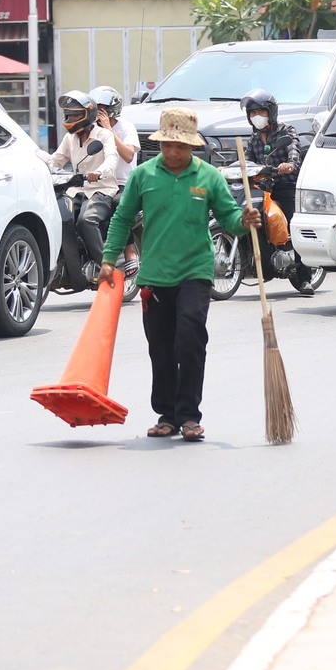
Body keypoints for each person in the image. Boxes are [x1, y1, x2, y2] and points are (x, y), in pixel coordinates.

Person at [101, 106, 246, 442]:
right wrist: (110, 258)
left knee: (191, 339)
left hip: (195, 272)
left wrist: (245, 221)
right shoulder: (144, 176)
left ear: (192, 146)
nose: (173, 152)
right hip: (154, 276)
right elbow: (122, 219)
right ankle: (167, 415)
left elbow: (229, 218)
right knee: (161, 346)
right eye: (167, 145)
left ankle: (190, 416)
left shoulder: (209, 177)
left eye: (180, 146)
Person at [50, 89, 136, 262]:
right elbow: (55, 160)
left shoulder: (112, 132)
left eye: (102, 108)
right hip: (79, 188)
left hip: (112, 184)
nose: (99, 112)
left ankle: (118, 257)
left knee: (114, 208)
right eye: (69, 115)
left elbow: (120, 157)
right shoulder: (71, 138)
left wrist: (99, 172)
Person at [239, 89, 301, 224]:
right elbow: (247, 161)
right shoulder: (254, 138)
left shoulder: (286, 130)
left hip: (285, 185)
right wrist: (232, 169)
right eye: (253, 113)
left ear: (271, 112)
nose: (257, 116)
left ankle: (288, 241)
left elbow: (294, 151)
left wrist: (289, 165)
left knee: (289, 216)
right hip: (264, 187)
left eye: (261, 111)